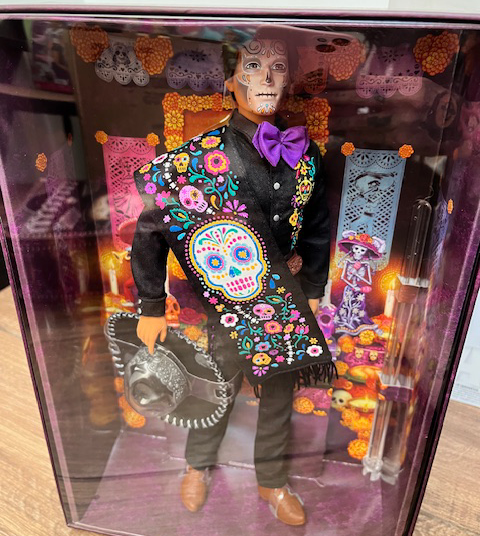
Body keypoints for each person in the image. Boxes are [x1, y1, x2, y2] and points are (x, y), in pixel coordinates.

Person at [131, 32, 331, 526]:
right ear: (230, 80)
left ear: (289, 80)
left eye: (278, 67)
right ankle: (198, 463)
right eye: (253, 65)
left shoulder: (308, 155)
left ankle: (272, 479)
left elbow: (317, 226)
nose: (266, 78)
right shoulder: (198, 160)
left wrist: (312, 290)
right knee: (217, 383)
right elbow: (151, 231)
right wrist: (151, 306)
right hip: (229, 301)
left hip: (284, 301)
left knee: (279, 396)